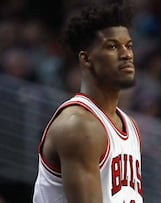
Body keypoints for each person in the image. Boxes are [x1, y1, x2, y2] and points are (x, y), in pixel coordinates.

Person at [33, 1, 143, 203]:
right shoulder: (78, 126)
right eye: (112, 46)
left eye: (129, 46)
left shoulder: (130, 126)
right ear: (86, 59)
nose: (126, 54)